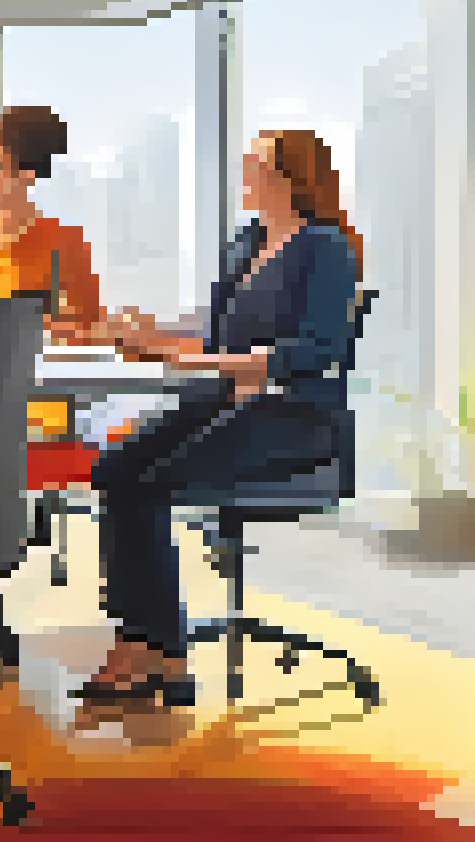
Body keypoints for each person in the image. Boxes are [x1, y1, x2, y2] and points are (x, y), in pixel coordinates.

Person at [78, 129, 362, 729]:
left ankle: (160, 654)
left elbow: (316, 349)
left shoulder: (324, 247)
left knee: (151, 485)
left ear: (287, 176)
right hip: (224, 398)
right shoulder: (246, 243)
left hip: (292, 416)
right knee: (115, 469)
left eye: (255, 163)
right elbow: (214, 334)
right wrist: (145, 336)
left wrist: (204, 360)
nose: (244, 172)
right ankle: (139, 639)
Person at [0, 106, 107, 669]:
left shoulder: (62, 242)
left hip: (35, 404)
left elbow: (90, 329)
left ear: (26, 174)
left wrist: (39, 327)